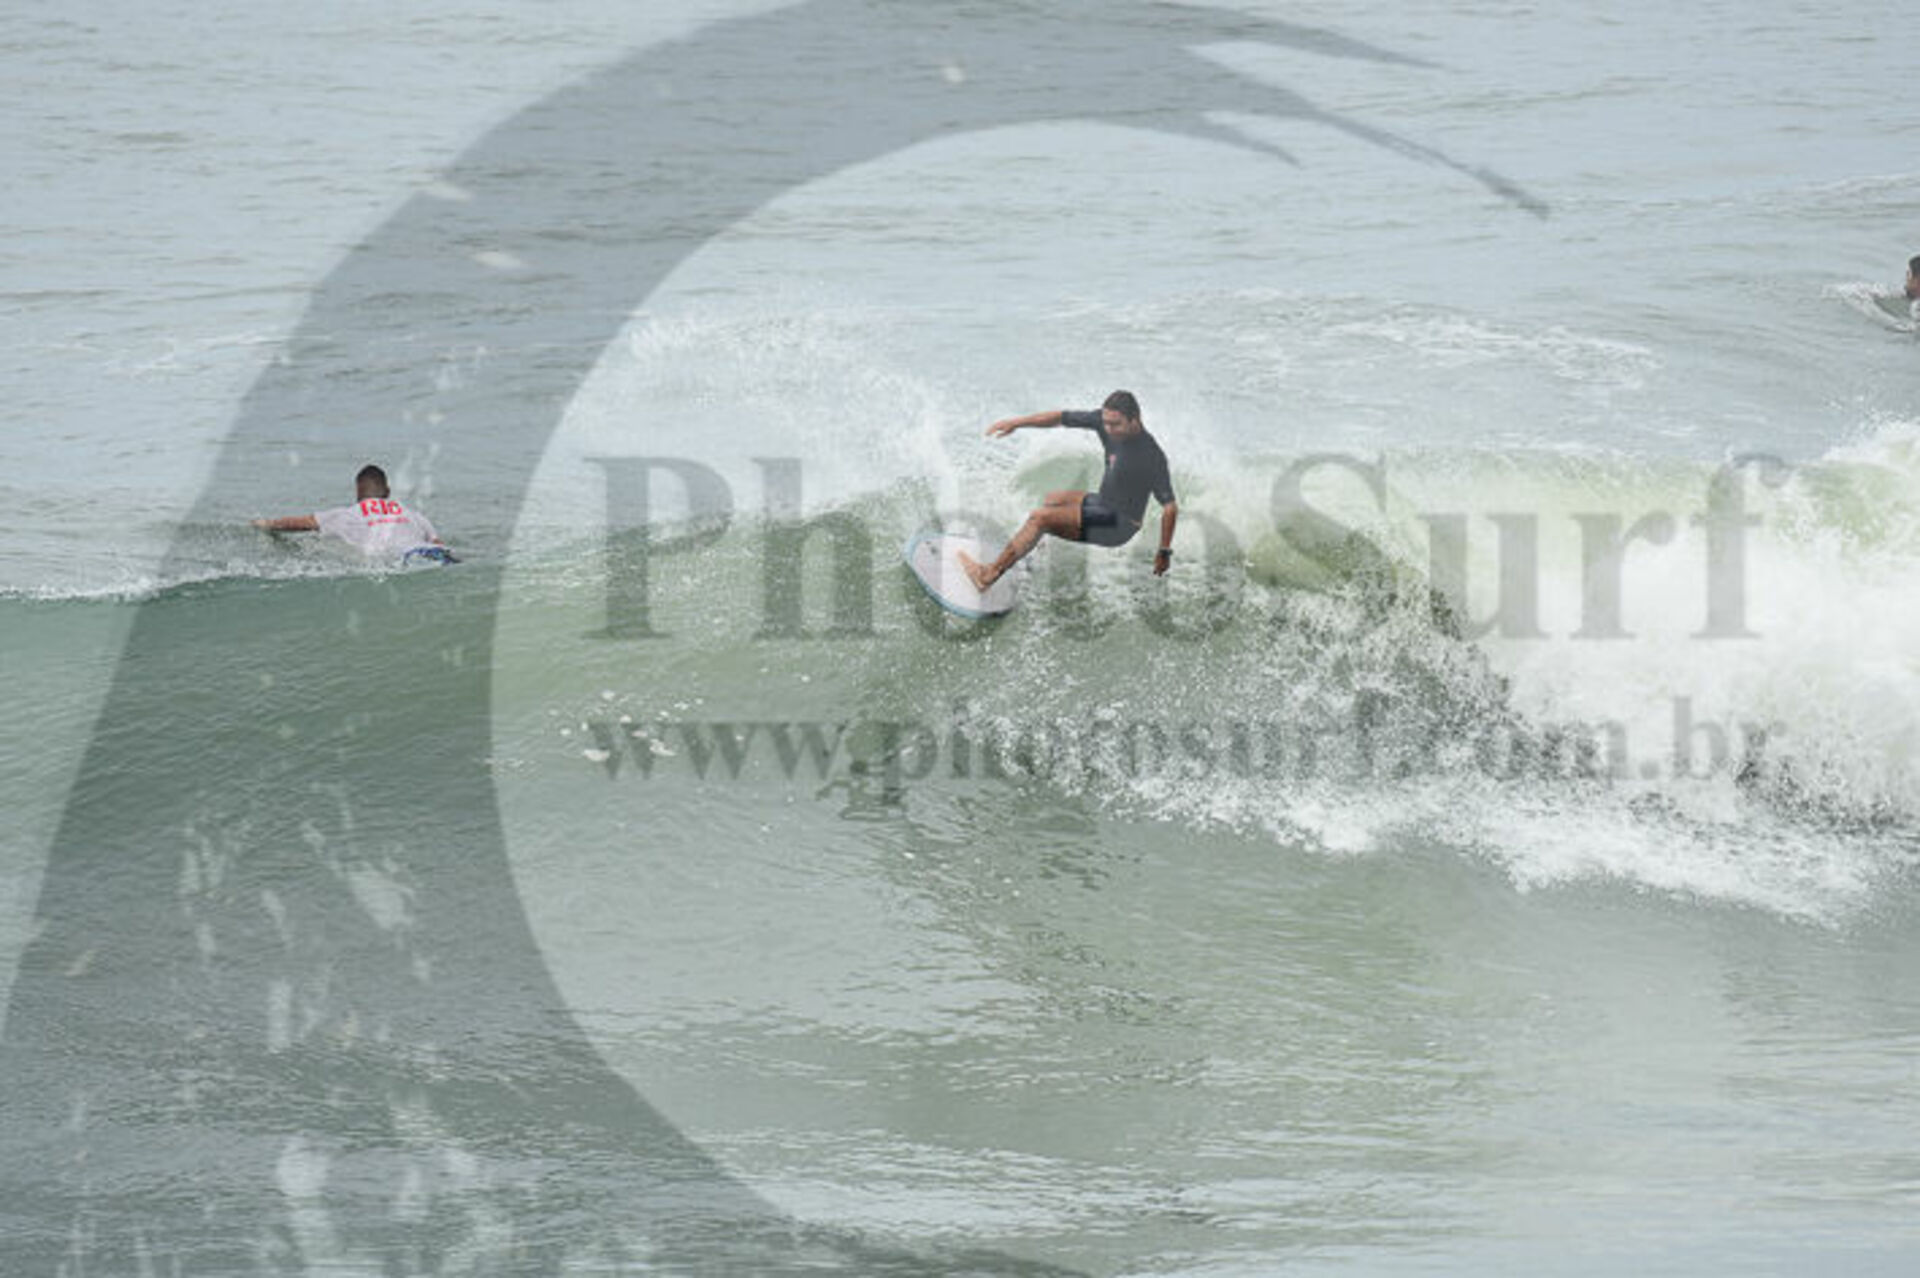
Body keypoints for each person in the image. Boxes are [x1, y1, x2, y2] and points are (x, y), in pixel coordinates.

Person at [958, 389, 1177, 591]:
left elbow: (1170, 507)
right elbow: (1060, 418)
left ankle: (988, 576)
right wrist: (1016, 423)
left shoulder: (1151, 456)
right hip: (1103, 502)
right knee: (1052, 500)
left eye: (1116, 425)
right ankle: (1029, 561)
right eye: (1106, 423)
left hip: (1119, 524)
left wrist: (1164, 552)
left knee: (1039, 518)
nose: (1109, 429)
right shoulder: (1105, 421)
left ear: (1135, 419)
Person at [252, 464, 455, 564]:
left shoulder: (347, 515)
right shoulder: (412, 513)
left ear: (358, 493)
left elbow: (300, 523)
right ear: (387, 492)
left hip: (404, 560)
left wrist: (266, 524)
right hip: (435, 553)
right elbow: (437, 543)